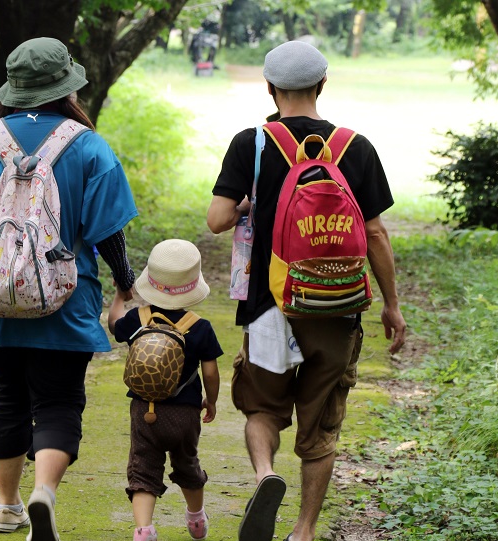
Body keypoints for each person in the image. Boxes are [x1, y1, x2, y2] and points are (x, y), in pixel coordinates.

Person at [0, 37, 138, 541]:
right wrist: (126, 288)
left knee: (5, 399)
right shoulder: (88, 145)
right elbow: (110, 234)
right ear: (66, 87)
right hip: (65, 298)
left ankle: (6, 506)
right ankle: (44, 492)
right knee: (59, 403)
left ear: (14, 88)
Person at [207, 40, 407, 541]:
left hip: (269, 304)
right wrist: (391, 304)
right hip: (337, 309)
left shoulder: (250, 143)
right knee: (321, 429)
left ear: (272, 89)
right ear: (322, 85)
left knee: (262, 409)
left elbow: (216, 220)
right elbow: (378, 234)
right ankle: (303, 530)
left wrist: (253, 203)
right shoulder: (355, 147)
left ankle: (265, 476)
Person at [108, 239, 222, 541]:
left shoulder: (137, 319)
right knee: (187, 463)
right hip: (184, 413)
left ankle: (144, 529)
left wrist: (120, 297)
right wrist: (211, 400)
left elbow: (113, 323)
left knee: (143, 469)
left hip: (144, 409)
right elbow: (210, 371)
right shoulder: (200, 327)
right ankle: (196, 518)